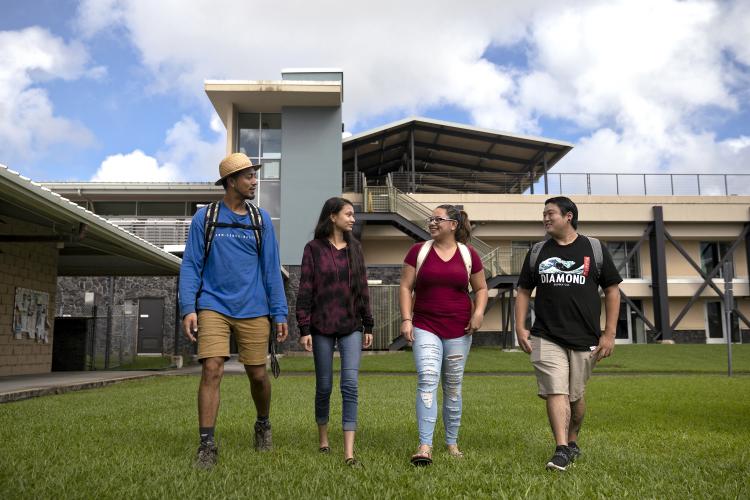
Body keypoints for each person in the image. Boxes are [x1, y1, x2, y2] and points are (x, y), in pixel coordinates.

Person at [179, 152, 288, 469]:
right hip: (213, 305)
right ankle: (207, 445)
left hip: (254, 307)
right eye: (249, 176)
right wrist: (189, 306)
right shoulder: (206, 218)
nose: (255, 181)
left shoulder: (260, 219)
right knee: (211, 368)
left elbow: (271, 269)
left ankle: (263, 423)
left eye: (254, 176)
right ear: (231, 181)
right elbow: (192, 266)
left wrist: (278, 312)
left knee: (258, 375)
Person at [515, 196, 622, 472]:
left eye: (550, 214)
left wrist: (609, 334)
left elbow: (612, 291)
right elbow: (524, 291)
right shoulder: (538, 251)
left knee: (576, 397)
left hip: (585, 337)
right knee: (556, 389)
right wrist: (520, 326)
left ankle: (573, 440)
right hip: (546, 335)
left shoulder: (594, 249)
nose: (546, 218)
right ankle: (561, 449)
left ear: (569, 216)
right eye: (543, 214)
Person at [399, 204, 488, 466]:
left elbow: (481, 288)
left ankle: (452, 442)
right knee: (427, 378)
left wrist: (479, 313)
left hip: (460, 329)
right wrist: (406, 319)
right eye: (431, 219)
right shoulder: (419, 251)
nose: (432, 223)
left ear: (453, 225)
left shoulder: (469, 254)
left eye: (438, 219)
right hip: (425, 325)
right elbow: (405, 287)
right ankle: (425, 445)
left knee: (452, 387)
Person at [296, 197, 374, 467]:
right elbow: (305, 288)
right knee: (325, 386)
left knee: (350, 385)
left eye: (354, 215)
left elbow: (363, 288)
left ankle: (349, 452)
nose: (353, 219)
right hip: (321, 326)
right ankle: (323, 437)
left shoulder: (356, 249)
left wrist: (368, 323)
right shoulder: (313, 249)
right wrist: (304, 327)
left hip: (351, 325)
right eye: (349, 214)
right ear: (333, 216)